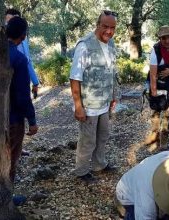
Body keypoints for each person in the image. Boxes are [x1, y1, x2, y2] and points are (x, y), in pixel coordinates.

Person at [69, 10, 119, 183]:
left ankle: (99, 164)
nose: (109, 31)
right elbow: (75, 78)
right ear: (98, 25)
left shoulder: (111, 44)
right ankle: (81, 171)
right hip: (88, 105)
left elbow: (112, 72)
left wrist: (114, 95)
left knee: (103, 136)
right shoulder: (84, 45)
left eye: (112, 27)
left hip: (104, 102)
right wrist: (78, 106)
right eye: (105, 26)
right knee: (87, 140)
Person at [7, 16, 38, 204]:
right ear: (24, 36)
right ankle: (6, 199)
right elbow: (22, 96)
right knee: (10, 159)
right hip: (13, 119)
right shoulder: (18, 59)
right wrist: (32, 121)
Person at [5, 8, 40, 98]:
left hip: (22, 81)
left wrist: (35, 82)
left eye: (12, 20)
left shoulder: (23, 40)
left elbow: (28, 60)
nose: (8, 23)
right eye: (7, 21)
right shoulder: (1, 38)